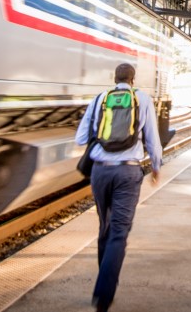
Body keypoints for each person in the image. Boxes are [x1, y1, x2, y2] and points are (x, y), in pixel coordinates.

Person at [75, 63, 162, 312]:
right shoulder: (142, 99)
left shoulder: (100, 99)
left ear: (115, 79)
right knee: (119, 233)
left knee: (105, 227)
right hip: (128, 171)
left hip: (100, 171)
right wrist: (156, 167)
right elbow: (153, 139)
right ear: (133, 80)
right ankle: (103, 295)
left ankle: (103, 281)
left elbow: (81, 138)